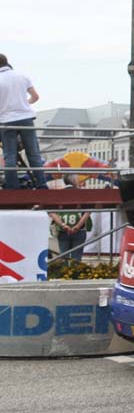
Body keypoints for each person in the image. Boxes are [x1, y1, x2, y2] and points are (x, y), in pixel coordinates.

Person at [0, 54, 47, 190]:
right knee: (33, 153)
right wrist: (24, 104)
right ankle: (41, 184)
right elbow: (35, 97)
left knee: (10, 156)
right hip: (26, 118)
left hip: (6, 120)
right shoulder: (22, 76)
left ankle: (12, 187)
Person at [50, 175, 91, 261]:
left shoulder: (58, 194)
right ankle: (74, 270)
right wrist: (78, 226)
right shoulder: (82, 193)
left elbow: (52, 212)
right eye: (77, 179)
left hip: (62, 229)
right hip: (79, 229)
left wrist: (63, 225)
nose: (79, 181)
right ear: (73, 181)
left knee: (64, 256)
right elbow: (88, 211)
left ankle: (64, 269)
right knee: (76, 258)